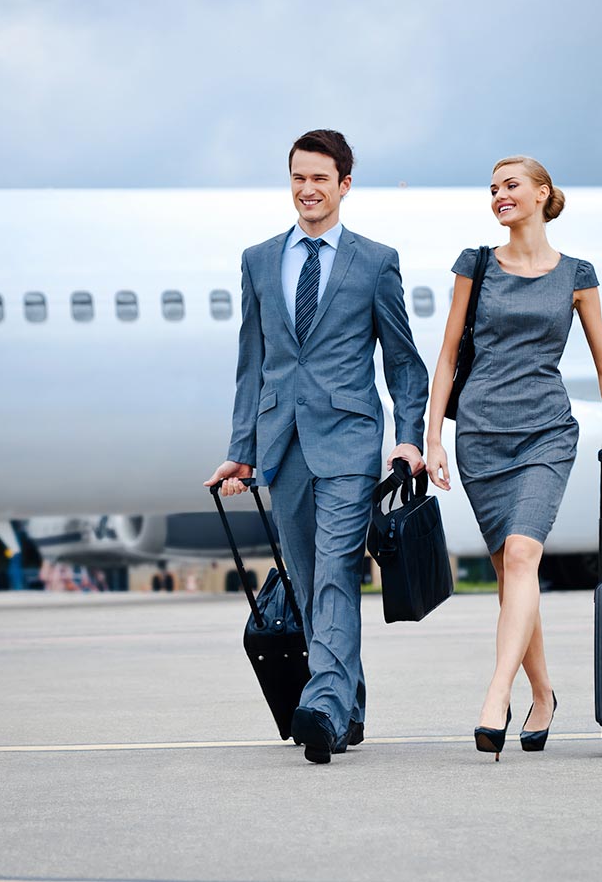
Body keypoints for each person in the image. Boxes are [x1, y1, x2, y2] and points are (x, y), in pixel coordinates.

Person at [205, 130, 428, 764]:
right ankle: (347, 703)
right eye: (298, 178)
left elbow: (404, 364)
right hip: (283, 443)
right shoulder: (257, 259)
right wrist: (240, 448)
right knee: (305, 578)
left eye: (320, 179)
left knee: (334, 570)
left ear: (344, 185)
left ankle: (322, 703)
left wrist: (408, 438)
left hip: (351, 439)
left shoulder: (374, 261)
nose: (308, 190)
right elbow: (252, 364)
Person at [426, 155, 602, 760]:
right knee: (511, 575)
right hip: (481, 436)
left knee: (523, 553)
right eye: (493, 189)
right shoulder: (477, 265)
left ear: (543, 194)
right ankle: (543, 695)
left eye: (511, 186)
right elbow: (446, 356)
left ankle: (496, 697)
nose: (499, 196)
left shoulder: (577, 274)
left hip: (545, 432)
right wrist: (433, 436)